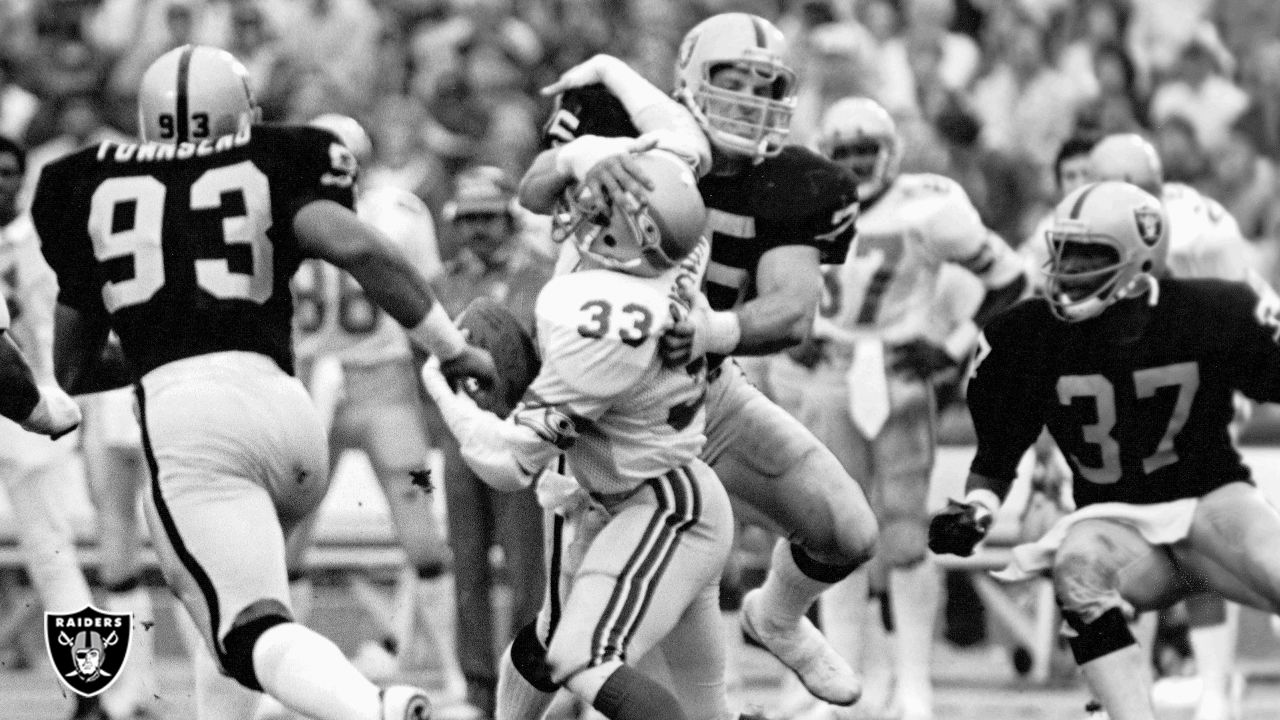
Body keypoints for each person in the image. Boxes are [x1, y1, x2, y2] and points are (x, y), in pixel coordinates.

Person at [32, 44, 494, 720]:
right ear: (238, 111)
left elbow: (73, 367)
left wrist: (166, 342)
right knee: (237, 617)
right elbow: (361, 248)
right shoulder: (283, 157)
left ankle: (379, 709)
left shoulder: (86, 181)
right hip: (287, 407)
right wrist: (450, 348)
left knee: (239, 627)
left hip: (190, 423)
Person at [516, 13, 877, 712]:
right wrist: (576, 158)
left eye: (764, 84)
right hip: (605, 407)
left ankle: (776, 616)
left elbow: (793, 309)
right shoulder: (631, 131)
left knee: (848, 532)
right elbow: (530, 195)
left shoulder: (796, 179)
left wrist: (710, 329)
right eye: (731, 79)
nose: (747, 98)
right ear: (687, 78)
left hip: (704, 390)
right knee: (567, 629)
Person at [928, 179, 1280, 720]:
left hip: (1213, 505)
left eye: (1092, 255)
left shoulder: (1212, 308)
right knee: (1078, 565)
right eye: (1064, 253)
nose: (1069, 271)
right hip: (1119, 522)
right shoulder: (1024, 334)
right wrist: (979, 508)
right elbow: (997, 458)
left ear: (1142, 261)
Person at [424, 148, 732, 720]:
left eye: (598, 213)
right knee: (548, 646)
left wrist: (443, 387)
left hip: (658, 503)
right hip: (625, 491)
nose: (580, 217)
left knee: (582, 658)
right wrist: (580, 152)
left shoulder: (600, 313)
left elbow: (507, 462)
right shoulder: (668, 258)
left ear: (629, 233)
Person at [772, 96, 1027, 720]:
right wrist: (788, 324)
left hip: (897, 377)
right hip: (828, 376)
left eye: (866, 150)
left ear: (890, 152)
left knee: (905, 532)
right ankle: (843, 683)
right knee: (836, 531)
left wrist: (952, 347)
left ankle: (915, 685)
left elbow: (1011, 280)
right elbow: (763, 276)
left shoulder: (929, 204)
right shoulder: (799, 197)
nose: (857, 163)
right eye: (845, 152)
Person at [285, 113, 468, 708]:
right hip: (332, 385)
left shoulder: (285, 210)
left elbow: (424, 295)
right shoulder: (395, 212)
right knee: (290, 539)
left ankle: (452, 673)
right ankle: (284, 677)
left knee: (421, 540)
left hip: (368, 383)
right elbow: (426, 298)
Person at [431, 164, 551, 719]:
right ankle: (478, 685)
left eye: (489, 217)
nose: (479, 229)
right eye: (469, 218)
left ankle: (526, 682)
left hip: (521, 434)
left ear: (509, 218)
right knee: (468, 565)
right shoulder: (444, 281)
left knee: (528, 566)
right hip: (464, 434)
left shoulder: (541, 275)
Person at [0, 135, 91, 720]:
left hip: (26, 411)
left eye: (10, 172)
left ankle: (91, 686)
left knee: (53, 554)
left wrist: (55, 399)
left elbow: (59, 330)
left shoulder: (43, 244)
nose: (2, 183)